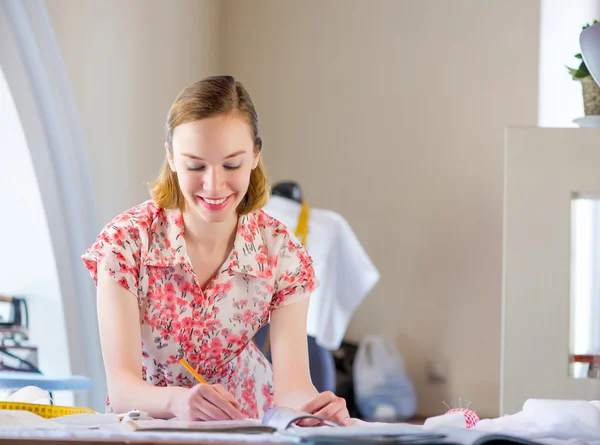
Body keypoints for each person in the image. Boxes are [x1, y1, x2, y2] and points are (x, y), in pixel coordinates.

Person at [81, 75, 351, 425]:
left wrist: (317, 409)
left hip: (248, 422)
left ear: (255, 155)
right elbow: (122, 390)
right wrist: (180, 402)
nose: (213, 184)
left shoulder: (281, 252)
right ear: (172, 159)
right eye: (195, 165)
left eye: (231, 164)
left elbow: (293, 387)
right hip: (147, 424)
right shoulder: (126, 245)